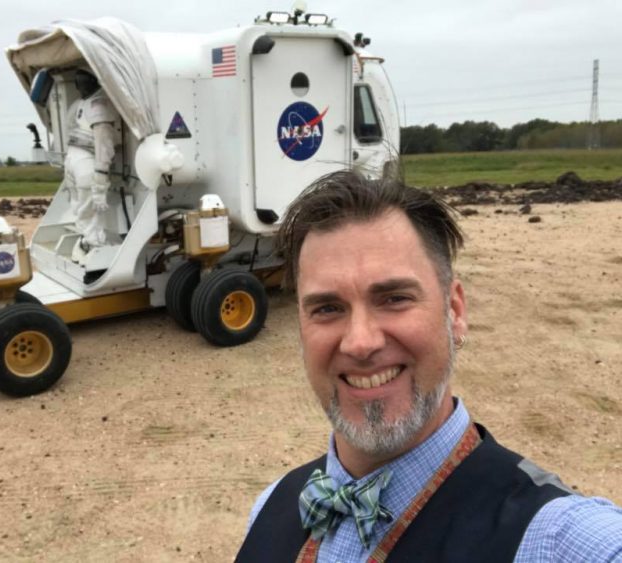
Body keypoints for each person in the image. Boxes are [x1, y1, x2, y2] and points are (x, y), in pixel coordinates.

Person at [237, 170, 622, 562]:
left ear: (454, 311)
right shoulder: (270, 506)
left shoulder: (557, 538)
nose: (360, 342)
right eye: (328, 308)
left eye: (394, 299)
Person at [64, 68, 118, 264]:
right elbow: (104, 145)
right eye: (79, 82)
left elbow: (102, 141)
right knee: (87, 208)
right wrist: (101, 178)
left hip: (74, 158)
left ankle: (89, 246)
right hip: (83, 160)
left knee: (84, 208)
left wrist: (100, 177)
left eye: (83, 81)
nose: (80, 86)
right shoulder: (95, 104)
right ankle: (92, 246)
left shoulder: (87, 104)